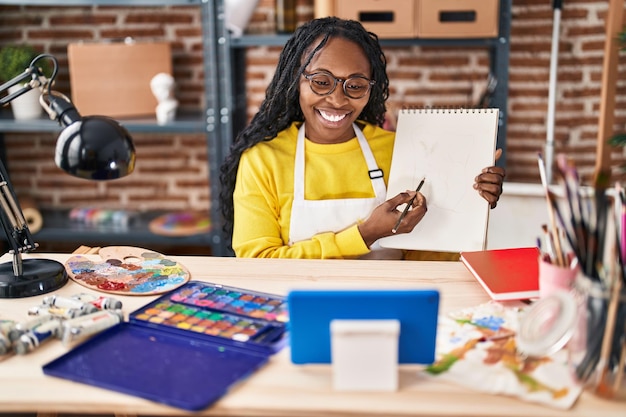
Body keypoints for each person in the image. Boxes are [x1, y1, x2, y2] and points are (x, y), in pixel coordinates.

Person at [219, 17, 505, 259]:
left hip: (391, 304)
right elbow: (258, 263)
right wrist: (366, 234)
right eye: (321, 81)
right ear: (297, 80)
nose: (337, 99)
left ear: (370, 88)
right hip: (300, 305)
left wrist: (470, 204)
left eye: (354, 85)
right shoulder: (262, 160)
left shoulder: (399, 149)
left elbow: (430, 256)